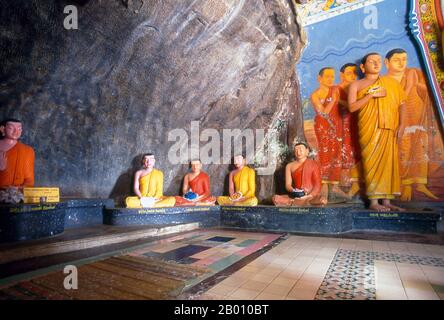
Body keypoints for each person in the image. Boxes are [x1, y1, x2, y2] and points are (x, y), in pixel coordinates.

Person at [348, 53, 407, 212]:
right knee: (371, 162)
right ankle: (374, 202)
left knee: (389, 162)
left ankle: (387, 201)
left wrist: (402, 124)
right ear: (362, 66)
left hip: (389, 127)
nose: (376, 63)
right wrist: (370, 95)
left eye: (379, 61)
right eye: (372, 61)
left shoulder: (391, 83)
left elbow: (401, 104)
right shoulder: (357, 85)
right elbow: (352, 107)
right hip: (369, 129)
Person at [385, 48, 442, 201]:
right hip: (398, 120)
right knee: (402, 150)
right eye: (397, 59)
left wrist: (417, 85)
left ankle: (420, 184)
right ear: (387, 63)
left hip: (417, 119)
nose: (401, 62)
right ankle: (406, 185)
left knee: (420, 150)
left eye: (404, 59)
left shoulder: (413, 73)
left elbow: (430, 92)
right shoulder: (384, 81)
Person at [310, 67, 348, 200]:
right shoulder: (315, 94)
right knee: (325, 154)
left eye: (332, 76)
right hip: (323, 127)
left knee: (337, 154)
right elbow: (323, 113)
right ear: (319, 78)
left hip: (337, 125)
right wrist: (333, 100)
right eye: (327, 76)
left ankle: (335, 186)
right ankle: (324, 189)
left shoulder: (336, 90)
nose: (331, 79)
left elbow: (344, 104)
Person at [272, 142, 326, 206]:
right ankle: (299, 202)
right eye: (296, 150)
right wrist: (294, 190)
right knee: (275, 198)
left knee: (322, 200)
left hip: (311, 196)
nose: (298, 152)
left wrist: (309, 196)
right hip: (296, 195)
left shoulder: (314, 164)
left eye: (300, 150)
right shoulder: (289, 166)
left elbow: (317, 185)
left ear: (307, 151)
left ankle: (297, 202)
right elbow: (288, 185)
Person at [338, 63, 363, 198]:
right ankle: (344, 188)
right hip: (342, 128)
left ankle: (356, 187)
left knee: (358, 154)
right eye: (349, 73)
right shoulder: (337, 90)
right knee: (345, 156)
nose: (353, 76)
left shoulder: (360, 89)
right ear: (342, 75)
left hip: (358, 125)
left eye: (355, 73)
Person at [0, 118, 35, 189]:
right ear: (2, 129)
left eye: (19, 129)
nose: (16, 132)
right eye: (11, 128)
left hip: (16, 194)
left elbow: (29, 181)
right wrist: (2, 170)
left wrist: (16, 189)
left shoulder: (27, 151)